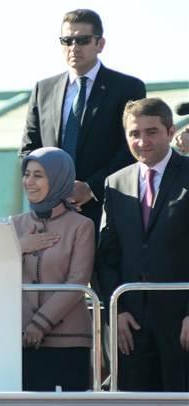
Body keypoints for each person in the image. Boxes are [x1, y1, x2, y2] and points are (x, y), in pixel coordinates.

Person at [20, 8, 146, 231]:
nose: (74, 47)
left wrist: (91, 188)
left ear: (100, 44)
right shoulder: (43, 89)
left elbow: (131, 149)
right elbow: (29, 149)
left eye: (82, 40)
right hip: (50, 213)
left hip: (106, 212)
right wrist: (50, 187)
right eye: (67, 40)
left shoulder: (127, 88)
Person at [97, 98, 189, 391]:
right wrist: (117, 310)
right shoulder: (115, 183)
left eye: (151, 131)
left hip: (181, 323)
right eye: (134, 133)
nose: (142, 141)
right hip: (131, 326)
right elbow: (106, 256)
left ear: (170, 131)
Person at [13, 147, 95, 391]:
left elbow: (78, 281)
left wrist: (40, 323)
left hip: (68, 342)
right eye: (27, 174)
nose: (29, 182)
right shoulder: (15, 224)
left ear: (59, 178)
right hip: (19, 341)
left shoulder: (81, 226)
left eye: (39, 175)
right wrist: (19, 247)